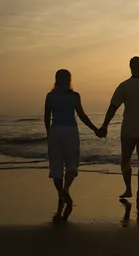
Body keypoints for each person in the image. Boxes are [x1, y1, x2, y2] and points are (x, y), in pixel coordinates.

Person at [99, 56, 139, 202]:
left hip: (128, 129)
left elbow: (113, 107)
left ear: (130, 67)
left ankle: (128, 189)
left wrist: (105, 125)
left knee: (126, 160)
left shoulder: (124, 86)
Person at [44, 69, 100, 208]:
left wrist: (48, 133)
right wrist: (95, 129)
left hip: (55, 130)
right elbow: (82, 116)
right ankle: (66, 188)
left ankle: (60, 194)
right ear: (69, 80)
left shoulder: (50, 96)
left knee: (56, 166)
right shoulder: (74, 96)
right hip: (70, 131)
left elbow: (46, 117)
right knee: (72, 164)